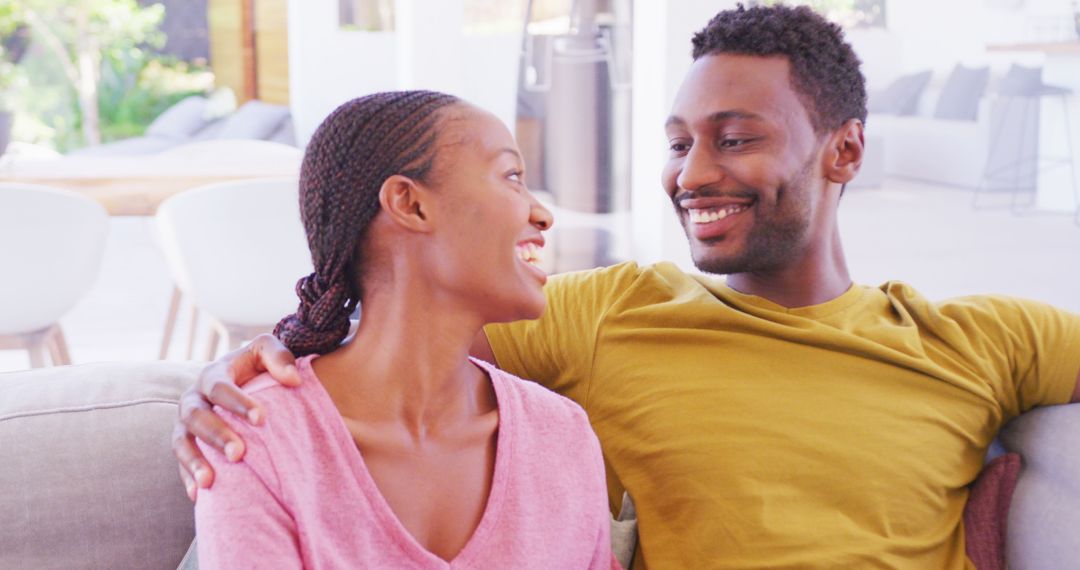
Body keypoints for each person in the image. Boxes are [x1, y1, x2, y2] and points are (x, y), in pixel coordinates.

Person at [174, 6, 1080, 569]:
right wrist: (235, 372)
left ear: (843, 150)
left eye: (735, 138)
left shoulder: (981, 340)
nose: (692, 173)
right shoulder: (614, 311)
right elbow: (386, 343)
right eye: (679, 142)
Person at [190, 90, 618, 569]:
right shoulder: (260, 436)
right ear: (409, 204)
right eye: (512, 178)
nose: (542, 214)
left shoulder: (561, 437)